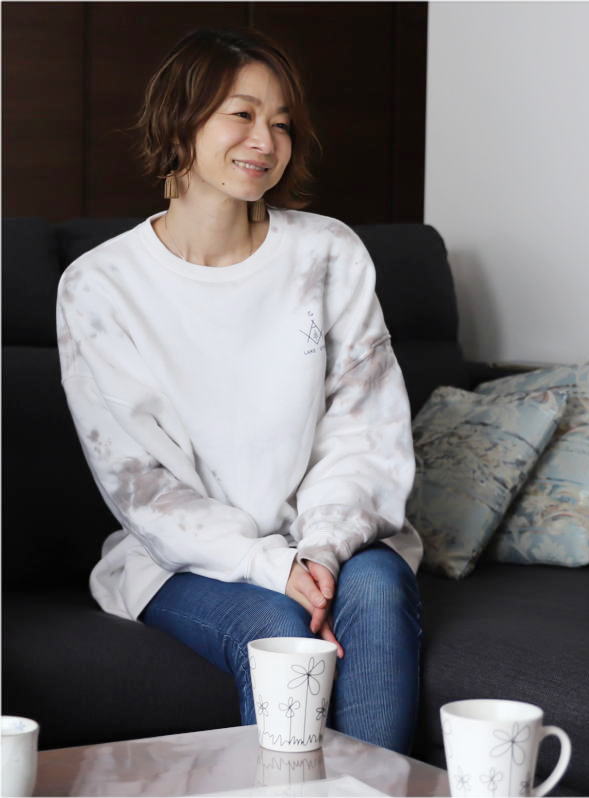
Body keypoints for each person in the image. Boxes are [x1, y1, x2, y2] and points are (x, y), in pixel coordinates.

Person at [56, 28, 423, 752]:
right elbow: (141, 485)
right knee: (276, 626)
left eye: (282, 124)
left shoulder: (327, 252)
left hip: (333, 537)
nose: (266, 140)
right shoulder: (99, 286)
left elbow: (363, 432)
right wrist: (270, 567)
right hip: (181, 559)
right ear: (181, 119)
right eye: (243, 114)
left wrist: (319, 552)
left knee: (378, 591)